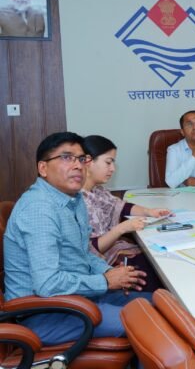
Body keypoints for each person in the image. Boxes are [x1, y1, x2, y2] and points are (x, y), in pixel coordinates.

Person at [3, 132, 151, 345]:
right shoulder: (39, 208)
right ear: (43, 168)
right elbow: (47, 284)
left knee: (161, 305)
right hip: (46, 313)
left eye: (81, 159)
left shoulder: (74, 199)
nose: (78, 165)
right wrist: (105, 281)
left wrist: (110, 272)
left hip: (78, 297)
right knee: (147, 322)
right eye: (66, 157)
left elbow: (84, 253)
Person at [82, 135, 170, 291]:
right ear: (88, 161)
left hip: (114, 249)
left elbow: (121, 207)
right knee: (154, 269)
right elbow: (93, 248)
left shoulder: (97, 191)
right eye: (108, 162)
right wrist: (121, 228)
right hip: (101, 264)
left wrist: (149, 211)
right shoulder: (79, 200)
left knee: (157, 259)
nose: (112, 169)